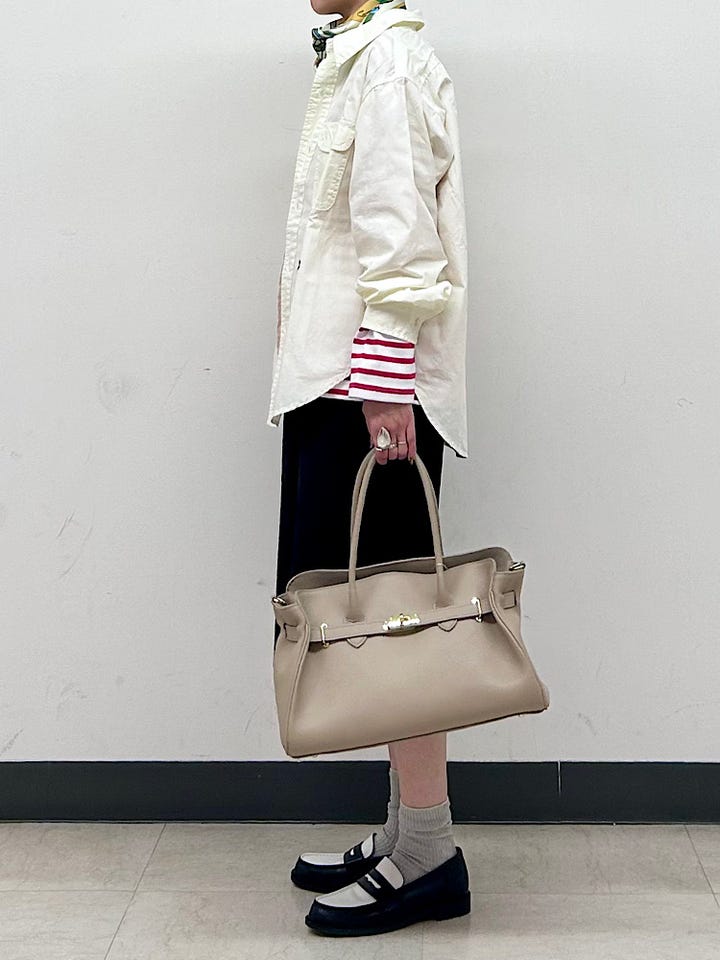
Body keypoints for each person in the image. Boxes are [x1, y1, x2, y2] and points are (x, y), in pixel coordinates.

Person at [267, 0, 470, 937]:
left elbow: (400, 228)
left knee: (396, 625)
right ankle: (406, 831)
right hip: (345, 383)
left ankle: (429, 851)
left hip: (367, 390)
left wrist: (386, 387)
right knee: (374, 614)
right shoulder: (366, 55)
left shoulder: (386, 61)